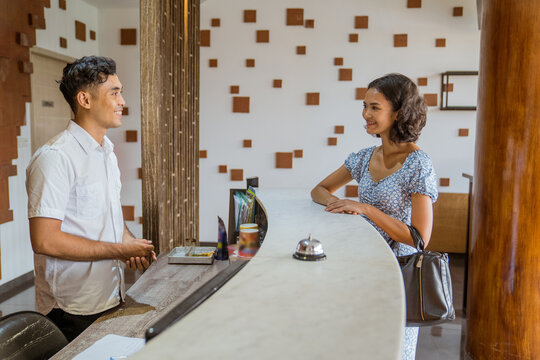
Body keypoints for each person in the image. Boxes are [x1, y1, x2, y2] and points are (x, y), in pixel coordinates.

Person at [26, 56, 157, 342]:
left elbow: (109, 217)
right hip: (73, 308)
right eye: (115, 92)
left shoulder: (106, 152)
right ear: (85, 99)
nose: (122, 100)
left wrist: (128, 243)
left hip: (110, 294)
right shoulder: (55, 158)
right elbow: (45, 240)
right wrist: (117, 250)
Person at [311, 73, 438, 360]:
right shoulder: (364, 157)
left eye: (375, 107)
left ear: (399, 112)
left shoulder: (419, 164)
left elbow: (419, 237)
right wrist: (339, 204)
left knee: (391, 351)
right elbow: (319, 189)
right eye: (364, 106)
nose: (366, 114)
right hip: (362, 267)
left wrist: (365, 209)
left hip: (398, 275)